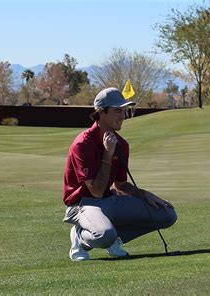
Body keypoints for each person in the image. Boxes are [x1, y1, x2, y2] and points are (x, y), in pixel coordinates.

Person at [62, 87, 177, 261]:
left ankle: (113, 238)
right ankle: (81, 237)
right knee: (104, 235)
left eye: (124, 111)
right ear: (101, 112)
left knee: (167, 214)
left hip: (108, 201)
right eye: (117, 111)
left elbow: (121, 185)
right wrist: (108, 154)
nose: (123, 116)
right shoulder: (82, 144)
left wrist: (145, 195)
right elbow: (96, 191)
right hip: (82, 204)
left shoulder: (121, 144)